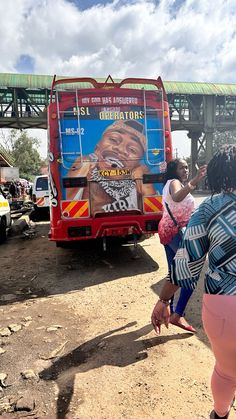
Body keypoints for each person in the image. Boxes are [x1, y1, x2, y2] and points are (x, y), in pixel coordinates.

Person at [151, 144, 236, 419]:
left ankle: (220, 415)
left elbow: (187, 266)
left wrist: (164, 300)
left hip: (224, 307)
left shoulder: (208, 210)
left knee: (226, 371)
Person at [158, 158, 207, 332]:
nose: (185, 170)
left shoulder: (170, 184)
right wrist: (196, 179)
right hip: (175, 232)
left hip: (167, 230)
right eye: (182, 168)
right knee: (189, 274)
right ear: (173, 170)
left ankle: (167, 309)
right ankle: (177, 314)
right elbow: (178, 197)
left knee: (174, 273)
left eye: (187, 167)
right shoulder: (174, 182)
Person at [66, 120, 156, 214]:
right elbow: (71, 213)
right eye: (113, 139)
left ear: (137, 163)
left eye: (132, 150)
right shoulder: (85, 166)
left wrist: (146, 187)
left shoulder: (140, 176)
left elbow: (153, 213)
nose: (120, 149)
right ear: (97, 148)